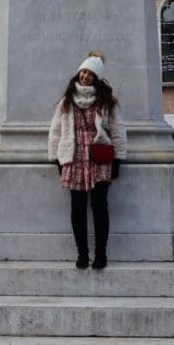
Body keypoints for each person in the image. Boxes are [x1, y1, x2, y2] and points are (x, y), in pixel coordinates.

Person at [48, 51, 127, 269]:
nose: (85, 76)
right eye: (83, 72)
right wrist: (56, 157)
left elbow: (118, 130)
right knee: (77, 207)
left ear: (96, 78)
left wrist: (119, 158)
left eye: (91, 74)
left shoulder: (107, 101)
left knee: (100, 206)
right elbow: (55, 131)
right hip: (73, 157)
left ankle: (101, 254)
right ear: (78, 73)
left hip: (99, 157)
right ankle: (82, 253)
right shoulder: (66, 101)